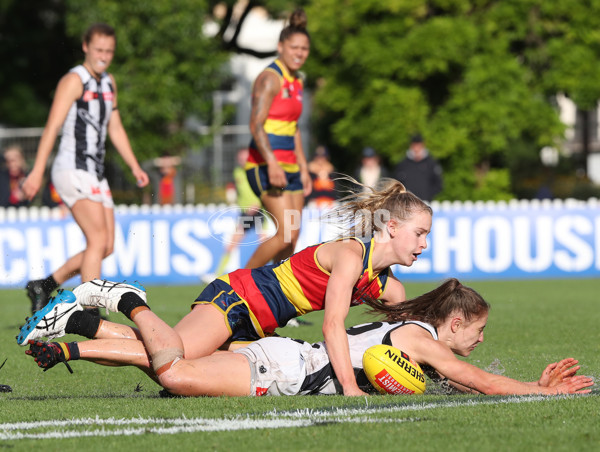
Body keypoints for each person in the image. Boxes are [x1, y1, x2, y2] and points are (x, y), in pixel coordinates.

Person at [18, 179, 431, 396]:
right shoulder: (349, 255)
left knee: (165, 351)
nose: (424, 245)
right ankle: (119, 300)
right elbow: (332, 326)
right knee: (171, 359)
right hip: (239, 298)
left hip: (256, 324)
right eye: (419, 233)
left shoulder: (385, 284)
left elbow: (412, 330)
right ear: (391, 228)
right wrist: (351, 387)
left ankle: (78, 320)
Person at [21, 279, 593, 397]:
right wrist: (538, 392)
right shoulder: (424, 341)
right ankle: (124, 297)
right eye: (480, 329)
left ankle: (75, 333)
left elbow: (467, 384)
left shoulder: (416, 338)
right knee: (176, 372)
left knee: (163, 359)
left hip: (285, 357)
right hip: (283, 369)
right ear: (457, 320)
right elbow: (478, 378)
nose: (480, 340)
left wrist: (528, 384)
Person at [20, 23, 150, 313]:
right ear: (86, 47)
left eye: (109, 51)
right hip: (71, 168)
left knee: (107, 246)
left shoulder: (108, 82)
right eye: (99, 50)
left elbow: (114, 126)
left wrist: (133, 165)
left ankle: (45, 284)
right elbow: (52, 126)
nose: (104, 56)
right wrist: (38, 170)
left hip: (95, 173)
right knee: (97, 239)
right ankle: (91, 312)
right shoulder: (74, 80)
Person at [244, 9, 312, 269]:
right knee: (285, 232)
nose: (299, 53)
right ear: (280, 47)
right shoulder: (270, 78)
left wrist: (304, 168)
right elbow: (255, 124)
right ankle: (233, 287)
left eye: (304, 48)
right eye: (294, 47)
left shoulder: (297, 80)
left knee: (291, 241)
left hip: (292, 169)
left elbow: (293, 128)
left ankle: (277, 303)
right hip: (265, 166)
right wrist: (272, 163)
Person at [203, 148, 265, 281]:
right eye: (241, 158)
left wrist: (257, 204)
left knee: (266, 243)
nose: (243, 160)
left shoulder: (257, 172)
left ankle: (274, 272)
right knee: (233, 243)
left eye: (245, 157)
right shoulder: (237, 172)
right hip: (246, 213)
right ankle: (218, 273)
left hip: (258, 211)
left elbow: (262, 190)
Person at [394, 134, 443, 202]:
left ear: (423, 146)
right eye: (414, 146)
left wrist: (428, 195)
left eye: (418, 146)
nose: (416, 149)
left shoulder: (431, 163)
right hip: (407, 202)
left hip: (425, 202)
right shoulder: (403, 164)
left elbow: (438, 184)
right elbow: (397, 183)